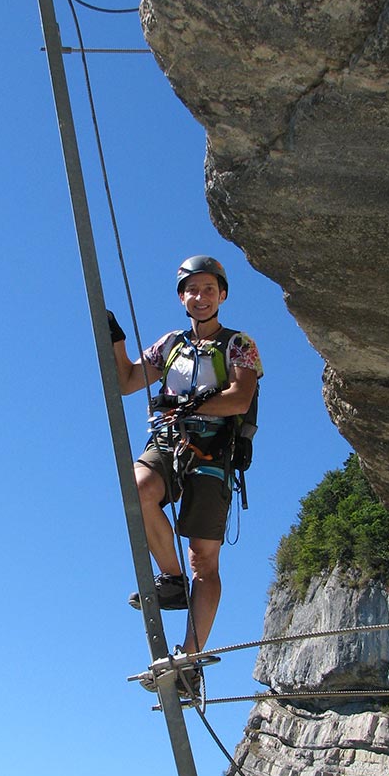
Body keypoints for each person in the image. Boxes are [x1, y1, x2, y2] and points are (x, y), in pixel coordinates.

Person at [110, 255, 263, 662]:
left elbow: (241, 397)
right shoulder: (171, 344)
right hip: (169, 443)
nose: (201, 297)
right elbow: (127, 381)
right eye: (192, 290)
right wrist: (116, 339)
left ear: (222, 295)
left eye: (209, 290)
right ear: (182, 297)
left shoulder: (239, 345)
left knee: (204, 560)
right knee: (137, 488)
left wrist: (188, 405)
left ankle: (191, 658)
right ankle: (171, 579)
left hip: (213, 452)